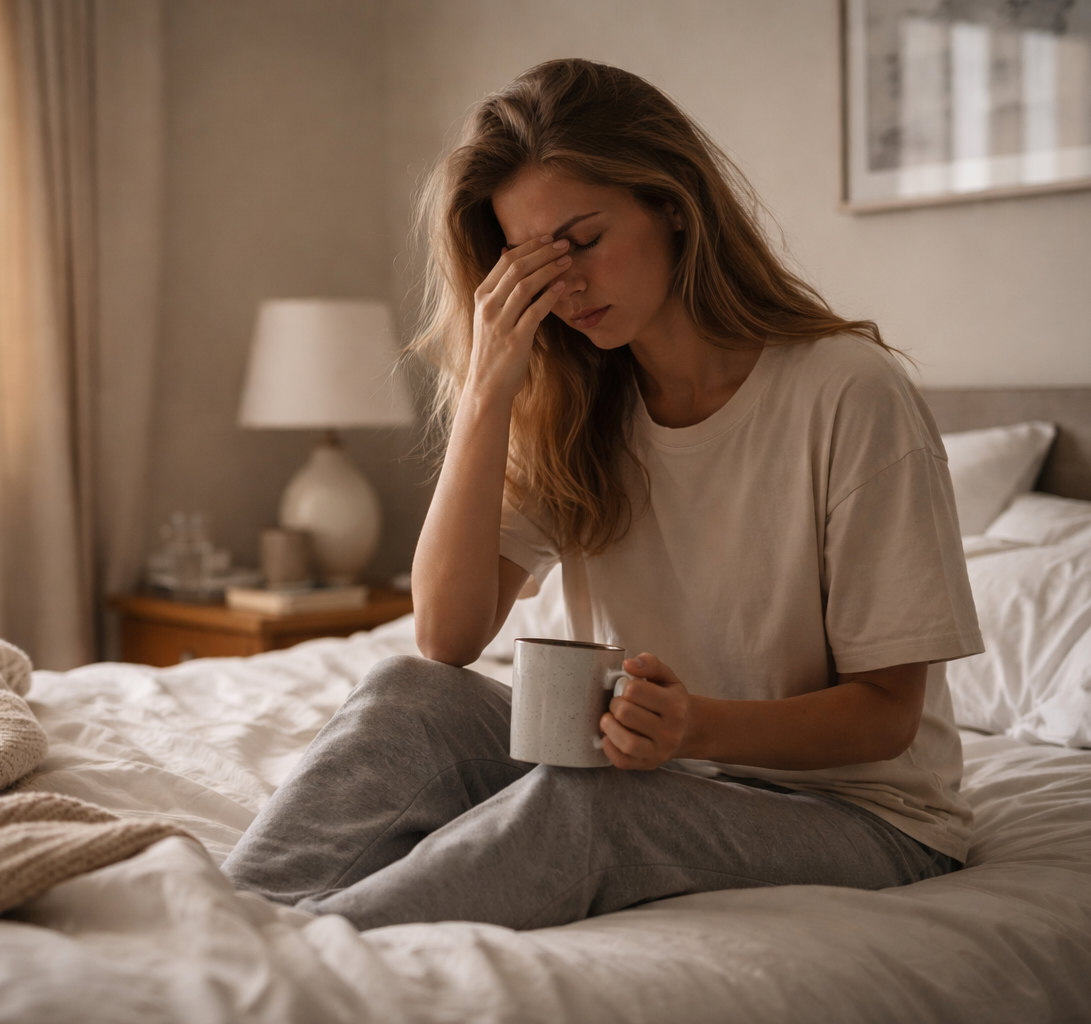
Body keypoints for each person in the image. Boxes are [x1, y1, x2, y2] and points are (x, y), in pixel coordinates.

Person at [222, 58, 982, 931]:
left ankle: (304, 961)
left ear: (673, 204)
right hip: (651, 767)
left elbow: (886, 718)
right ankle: (218, 926)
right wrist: (485, 392)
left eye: (581, 241)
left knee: (580, 807)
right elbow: (446, 635)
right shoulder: (578, 403)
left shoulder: (849, 392)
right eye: (532, 262)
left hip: (867, 817)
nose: (565, 285)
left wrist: (692, 728)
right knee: (406, 696)